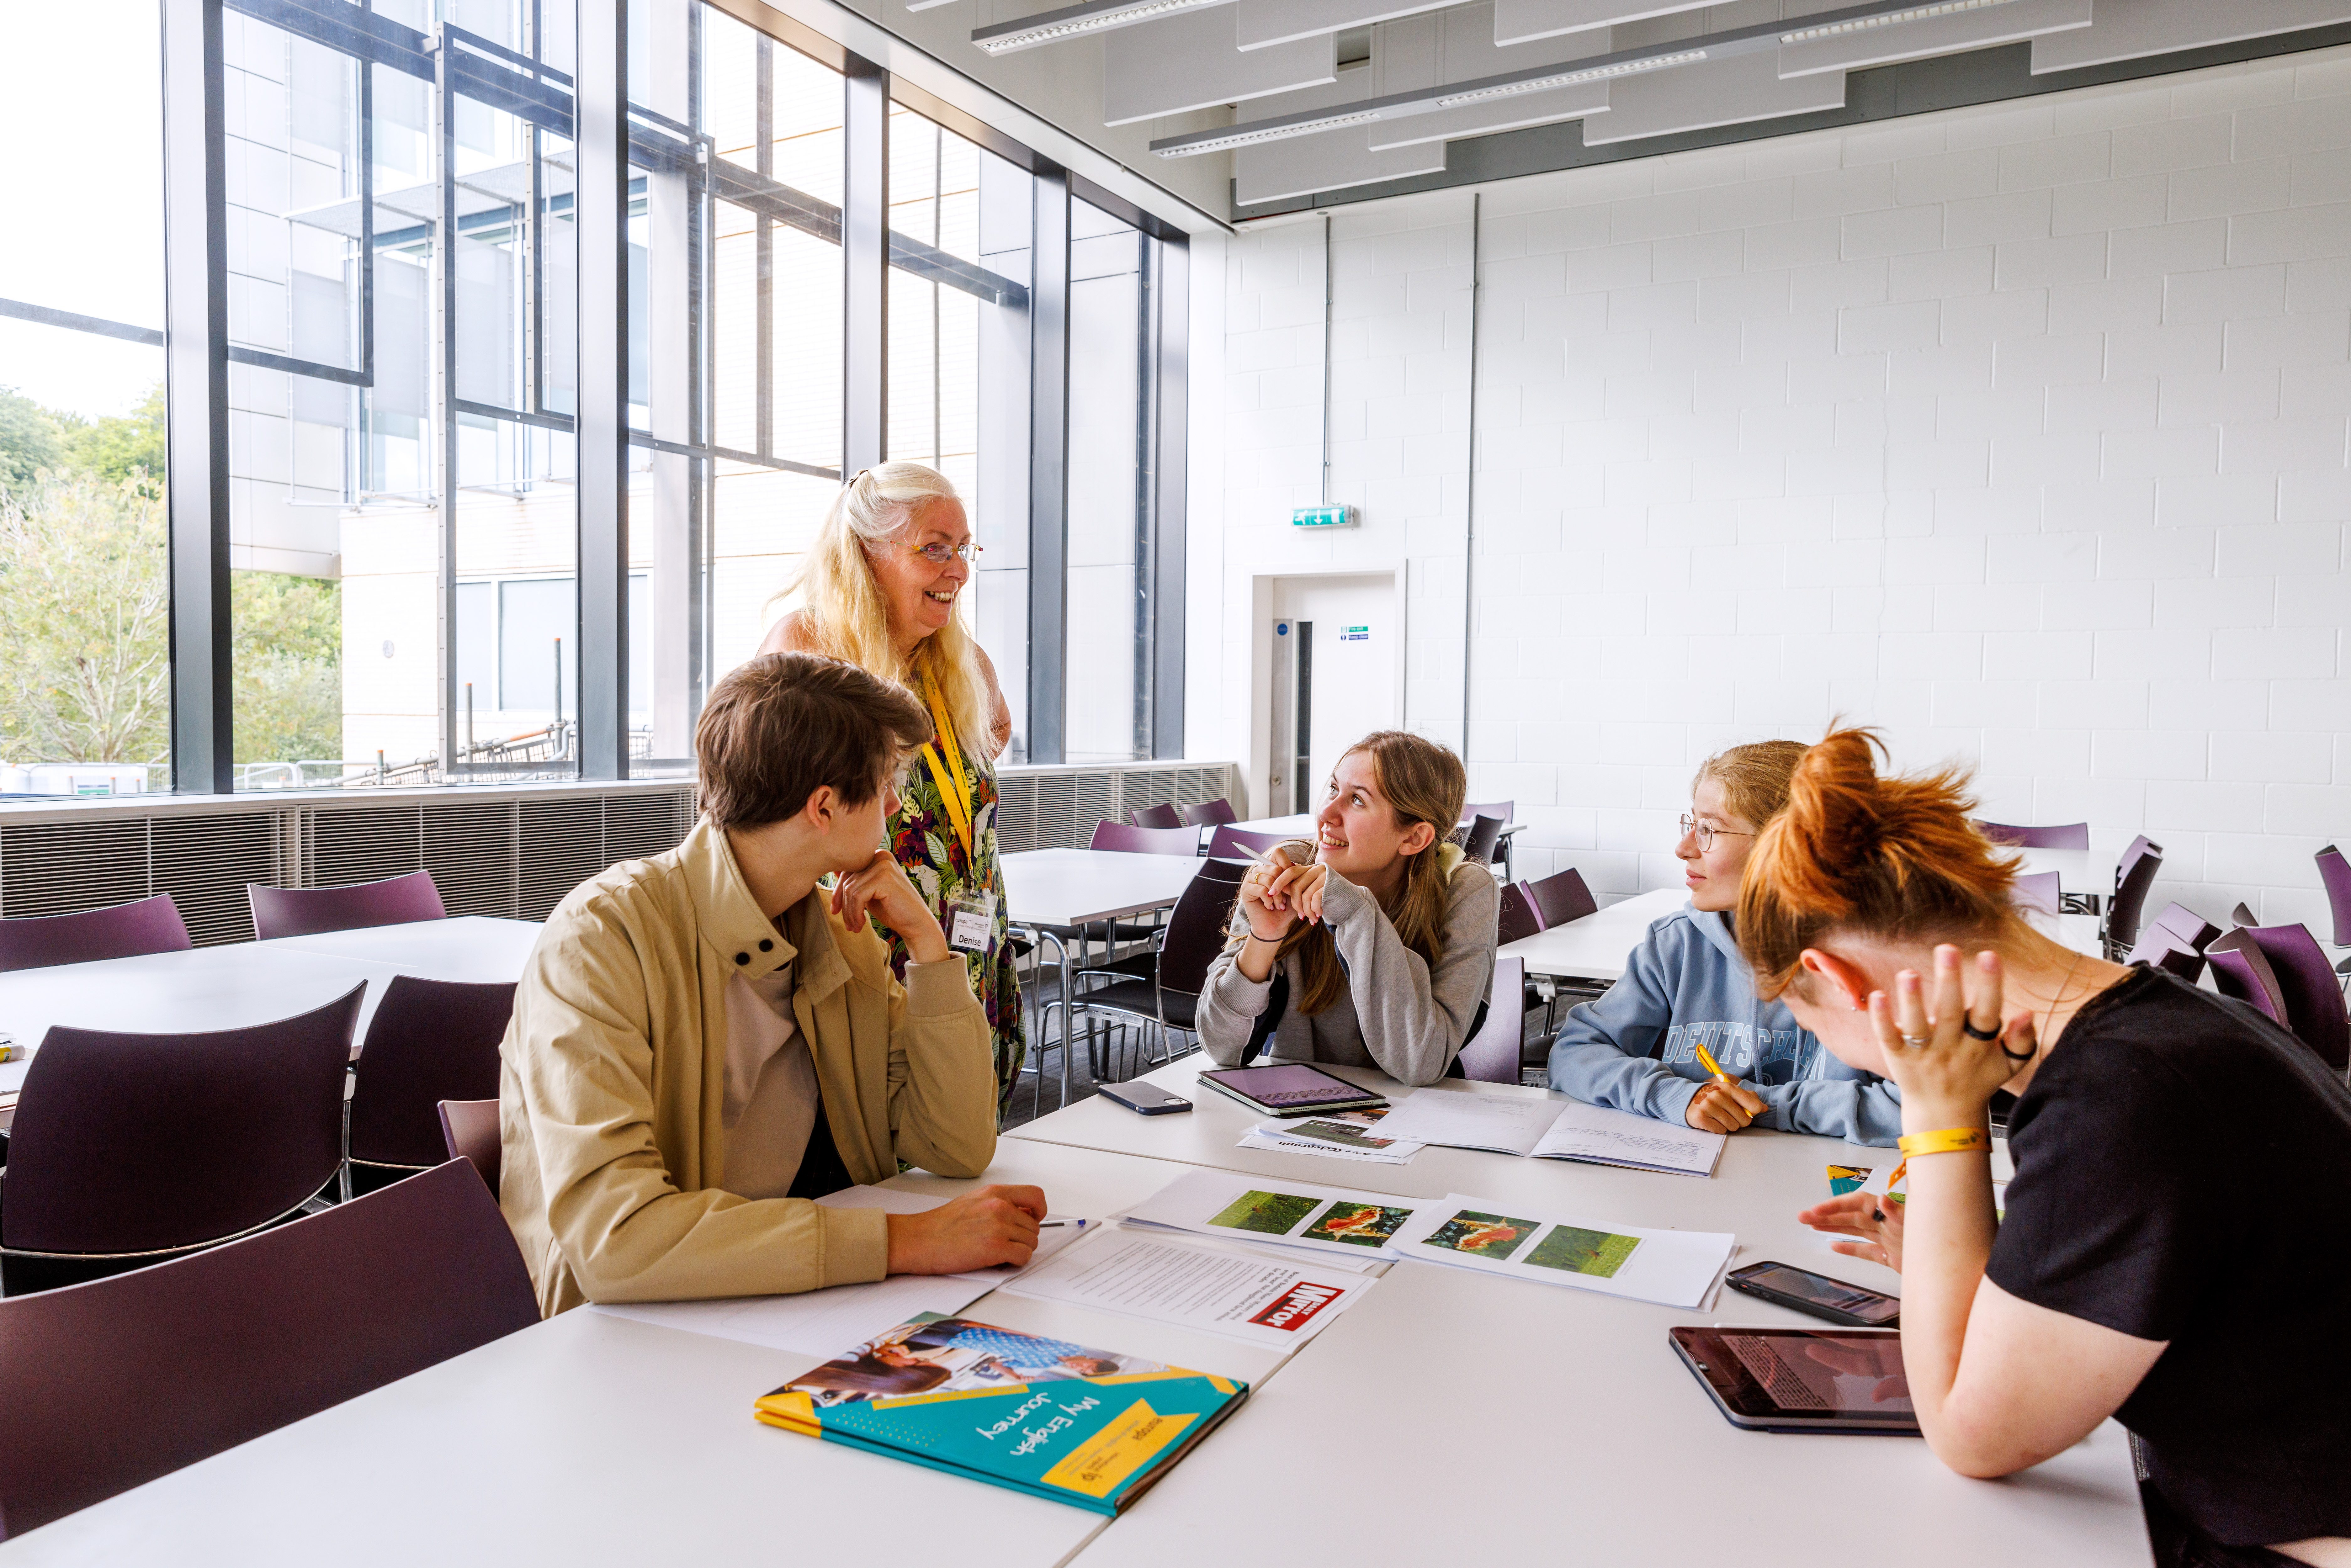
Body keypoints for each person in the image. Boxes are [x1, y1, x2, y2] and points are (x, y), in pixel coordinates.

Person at [1745, 729, 2351, 1568]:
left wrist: (1939, 1115)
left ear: (1840, 980)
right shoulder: (2167, 1024)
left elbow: (1969, 1436)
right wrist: (1963, 1257)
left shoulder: (2118, 1097)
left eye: (1812, 1023)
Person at [498, 651, 1043, 1316]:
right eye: (884, 784)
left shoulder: (839, 933)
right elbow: (618, 1240)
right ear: (824, 807)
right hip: (629, 1341)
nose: (898, 804)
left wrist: (930, 949)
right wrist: (903, 1241)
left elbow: (955, 1145)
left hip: (796, 1311)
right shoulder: (599, 940)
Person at [759, 462, 1025, 1102]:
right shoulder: (806, 647)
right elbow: (762, 816)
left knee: (966, 1153)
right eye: (933, 548)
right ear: (865, 554)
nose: (957, 569)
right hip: (859, 959)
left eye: (962, 549)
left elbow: (995, 741)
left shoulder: (964, 664)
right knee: (878, 1168)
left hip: (966, 953)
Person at [1547, 741, 1901, 1143]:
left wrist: (1758, 1105)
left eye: (1708, 831)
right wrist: (1679, 1096)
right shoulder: (1675, 943)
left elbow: (1918, 1107)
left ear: (1787, 847)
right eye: (1691, 825)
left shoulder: (1874, 960)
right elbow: (1573, 1052)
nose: (1683, 849)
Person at [1195, 731, 1498, 1087]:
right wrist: (1264, 938)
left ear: (1414, 837)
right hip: (1296, 1106)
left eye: (1356, 800)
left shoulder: (1464, 890)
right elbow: (1219, 1047)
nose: (1325, 813)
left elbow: (1421, 1062)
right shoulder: (1287, 869)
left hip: (1419, 1116)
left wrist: (1356, 913)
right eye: (1334, 789)